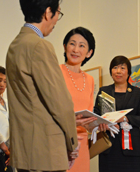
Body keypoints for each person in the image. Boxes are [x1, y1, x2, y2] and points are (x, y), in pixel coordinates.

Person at [6, 0, 78, 172]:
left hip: (24, 150)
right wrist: (72, 142)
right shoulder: (40, 46)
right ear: (48, 12)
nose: (56, 20)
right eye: (58, 14)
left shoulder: (15, 45)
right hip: (45, 151)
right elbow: (59, 102)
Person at [94, 55, 140, 172]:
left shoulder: (138, 93)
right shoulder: (104, 91)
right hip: (107, 149)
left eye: (122, 68)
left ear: (128, 72)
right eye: (115, 67)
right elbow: (96, 115)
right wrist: (102, 124)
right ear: (111, 71)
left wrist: (124, 118)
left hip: (132, 149)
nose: (118, 71)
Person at [59, 27, 97, 172]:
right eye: (72, 44)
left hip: (82, 143)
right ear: (65, 46)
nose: (76, 49)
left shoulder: (90, 79)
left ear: (89, 53)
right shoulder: (55, 72)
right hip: (60, 141)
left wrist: (100, 125)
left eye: (82, 46)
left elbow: (89, 113)